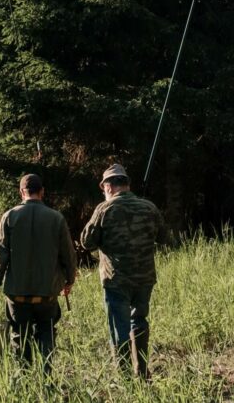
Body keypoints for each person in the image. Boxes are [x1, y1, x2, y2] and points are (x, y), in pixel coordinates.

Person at [80, 163, 166, 380]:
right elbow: (164, 237)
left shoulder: (104, 209)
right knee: (139, 321)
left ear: (108, 187)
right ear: (127, 184)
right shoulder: (149, 207)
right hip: (144, 278)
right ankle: (142, 371)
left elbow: (86, 242)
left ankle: (125, 378)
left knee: (119, 327)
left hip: (116, 279)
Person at [0, 173, 77, 374]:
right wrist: (69, 280)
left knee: (20, 336)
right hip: (47, 294)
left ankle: (25, 379)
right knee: (47, 334)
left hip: (17, 295)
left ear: (21, 192)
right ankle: (46, 377)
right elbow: (69, 254)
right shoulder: (56, 218)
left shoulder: (10, 217)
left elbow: (0, 256)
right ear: (42, 192)